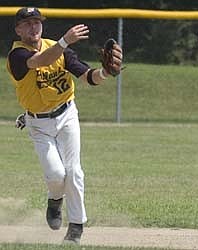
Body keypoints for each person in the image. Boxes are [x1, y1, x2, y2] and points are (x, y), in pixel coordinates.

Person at [7, 7, 122, 244]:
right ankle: (54, 200)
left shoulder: (59, 49)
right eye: (27, 24)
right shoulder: (16, 56)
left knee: (74, 171)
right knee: (56, 175)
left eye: (37, 22)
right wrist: (64, 40)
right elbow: (39, 61)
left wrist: (105, 72)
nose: (33, 27)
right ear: (18, 29)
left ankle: (76, 228)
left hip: (67, 114)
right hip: (38, 124)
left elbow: (87, 76)